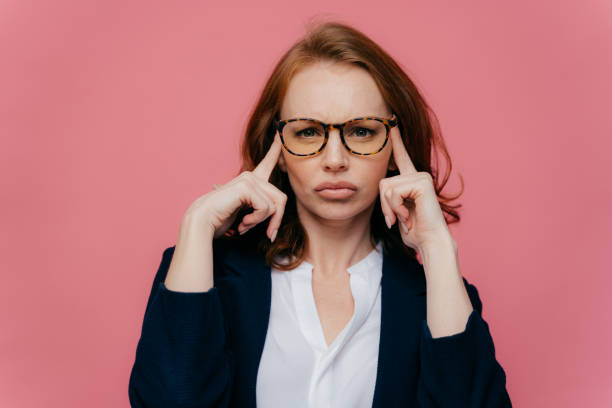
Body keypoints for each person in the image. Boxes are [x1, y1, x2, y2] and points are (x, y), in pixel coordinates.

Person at [128, 21, 512, 407]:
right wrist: (197, 225)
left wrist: (438, 250)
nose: (334, 160)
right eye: (308, 132)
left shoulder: (438, 298)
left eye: (362, 131)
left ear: (396, 151)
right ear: (275, 147)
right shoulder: (204, 276)